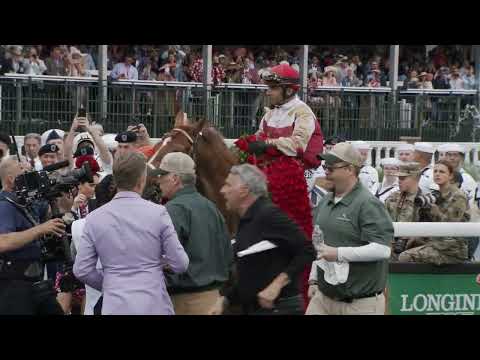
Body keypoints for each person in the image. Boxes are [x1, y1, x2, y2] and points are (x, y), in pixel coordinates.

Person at [73, 152, 189, 315]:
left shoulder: (95, 218)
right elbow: (180, 263)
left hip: (115, 304)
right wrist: (159, 263)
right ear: (142, 179)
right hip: (153, 303)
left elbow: (82, 269)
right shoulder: (158, 213)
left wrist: (110, 283)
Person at [209, 164, 315, 315]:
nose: (222, 190)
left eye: (228, 185)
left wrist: (276, 285)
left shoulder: (269, 215)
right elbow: (252, 272)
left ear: (244, 190)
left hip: (280, 308)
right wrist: (225, 299)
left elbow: (307, 250)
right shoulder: (246, 220)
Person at [305, 142, 393, 315]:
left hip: (360, 304)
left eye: (332, 165)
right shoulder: (325, 201)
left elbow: (383, 249)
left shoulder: (368, 203)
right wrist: (314, 280)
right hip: (323, 298)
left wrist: (338, 253)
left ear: (350, 169)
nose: (326, 169)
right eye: (325, 165)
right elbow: (320, 245)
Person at [154, 152, 233, 315]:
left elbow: (163, 256)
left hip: (184, 301)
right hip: (214, 299)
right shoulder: (211, 206)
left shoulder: (174, 209)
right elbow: (227, 254)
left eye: (162, 175)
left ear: (175, 178)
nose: (158, 179)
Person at [0, 156, 66, 315]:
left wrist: (62, 195)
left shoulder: (27, 203)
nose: (32, 177)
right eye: (26, 173)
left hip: (36, 281)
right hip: (13, 286)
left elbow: (56, 214)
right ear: (11, 179)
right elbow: (2, 242)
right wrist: (40, 229)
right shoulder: (4, 205)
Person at [398, 160, 470, 265]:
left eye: (442, 172)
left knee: (405, 257)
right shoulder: (434, 195)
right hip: (434, 243)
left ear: (450, 176)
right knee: (397, 249)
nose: (437, 174)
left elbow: (453, 226)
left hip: (451, 250)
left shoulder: (458, 196)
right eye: (435, 171)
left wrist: (437, 213)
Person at [384, 162, 431, 260]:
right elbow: (382, 223)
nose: (399, 181)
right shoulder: (392, 197)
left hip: (414, 248)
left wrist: (411, 238)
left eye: (403, 178)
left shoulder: (425, 201)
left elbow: (430, 232)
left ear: (415, 178)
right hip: (391, 244)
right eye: (399, 178)